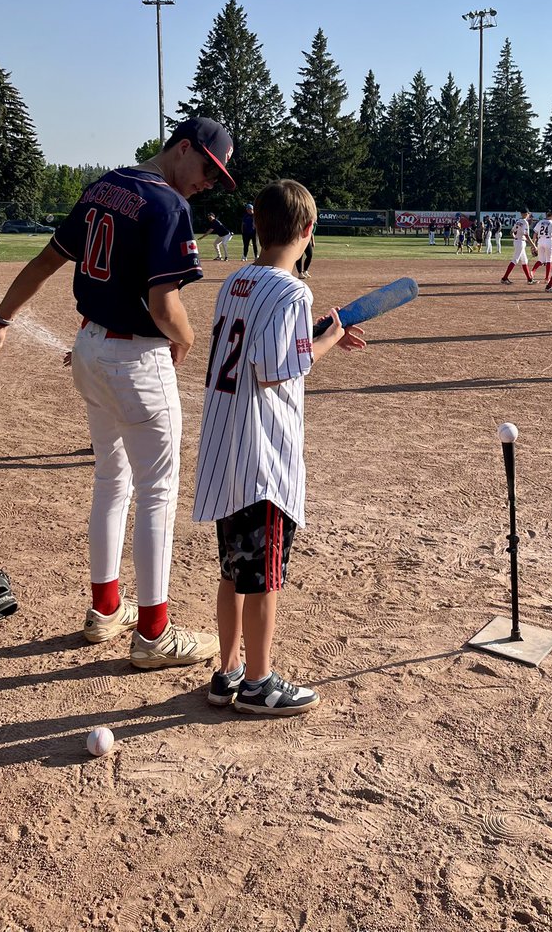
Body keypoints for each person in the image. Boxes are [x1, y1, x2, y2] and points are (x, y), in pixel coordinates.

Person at [0, 116, 236, 667]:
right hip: (136, 358)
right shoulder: (168, 206)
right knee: (156, 490)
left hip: (89, 348)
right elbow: (164, 307)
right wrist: (188, 337)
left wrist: (0, 317)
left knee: (112, 479)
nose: (208, 182)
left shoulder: (105, 186)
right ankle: (154, 634)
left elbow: (46, 261)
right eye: (207, 168)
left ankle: (105, 609)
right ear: (183, 150)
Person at [193, 180, 365, 715]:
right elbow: (278, 369)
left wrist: (312, 333)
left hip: (225, 450)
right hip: (263, 458)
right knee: (264, 578)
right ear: (308, 231)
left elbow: (258, 348)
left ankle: (227, 673)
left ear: (258, 226)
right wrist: (331, 338)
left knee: (231, 573)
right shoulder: (294, 291)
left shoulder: (236, 281)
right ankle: (260, 683)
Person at [500, 210, 536, 284]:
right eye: (528, 214)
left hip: (518, 241)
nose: (529, 215)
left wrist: (516, 238)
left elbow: (511, 232)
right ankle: (504, 278)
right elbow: (527, 235)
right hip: (520, 242)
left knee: (524, 260)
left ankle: (529, 279)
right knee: (515, 260)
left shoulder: (518, 221)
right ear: (526, 214)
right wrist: (534, 245)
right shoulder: (525, 222)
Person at [530, 210, 552, 279]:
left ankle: (532, 271)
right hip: (548, 241)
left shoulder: (540, 222)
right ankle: (547, 278)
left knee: (541, 260)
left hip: (540, 241)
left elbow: (535, 233)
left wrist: (533, 244)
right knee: (549, 260)